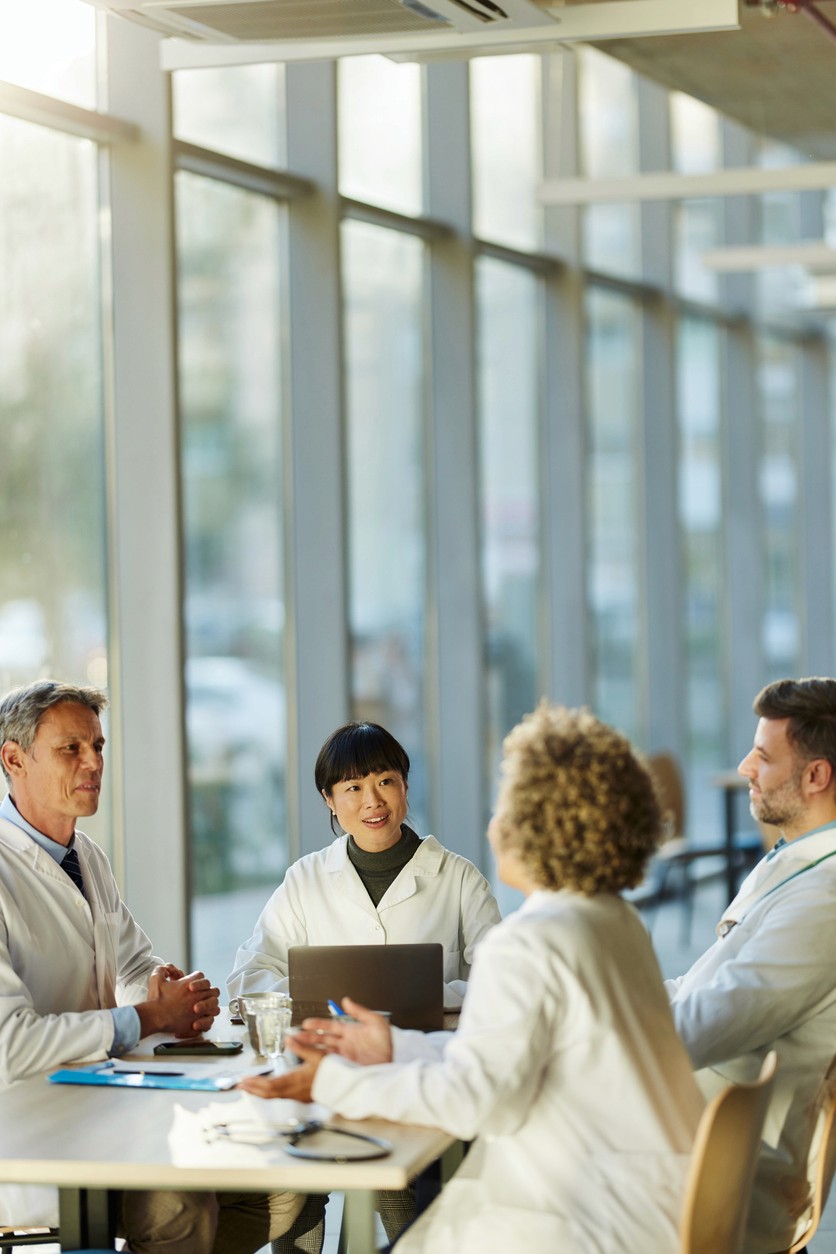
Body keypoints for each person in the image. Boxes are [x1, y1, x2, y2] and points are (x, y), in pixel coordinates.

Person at [241, 703, 704, 1254]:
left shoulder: (525, 942)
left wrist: (330, 1083)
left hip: (582, 1216)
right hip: (644, 1195)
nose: (495, 819)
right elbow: (503, 1058)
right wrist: (394, 1043)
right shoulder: (612, 919)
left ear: (542, 823)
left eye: (508, 800)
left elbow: (476, 1099)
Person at [0, 679, 303, 1253]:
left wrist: (173, 994)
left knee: (285, 1187)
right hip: (29, 1131)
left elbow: (135, 959)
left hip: (104, 1103)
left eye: (98, 746)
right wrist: (145, 1017)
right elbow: (9, 1043)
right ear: (14, 759)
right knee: (178, 1200)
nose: (94, 762)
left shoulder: (85, 856)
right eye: (72, 748)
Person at [228, 719, 501, 1251]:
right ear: (330, 800)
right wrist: (304, 1001)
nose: (372, 801)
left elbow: (501, 984)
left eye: (385, 781)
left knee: (404, 1203)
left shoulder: (459, 877)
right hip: (318, 1068)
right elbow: (249, 974)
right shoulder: (305, 880)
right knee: (298, 1192)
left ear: (404, 785)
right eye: (352, 788)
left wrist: (428, 996)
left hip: (412, 1074)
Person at [664, 676, 836, 1254]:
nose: (744, 767)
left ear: (816, 776)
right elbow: (698, 987)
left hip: (719, 1177)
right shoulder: (795, 864)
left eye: (763, 756)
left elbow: (699, 1027)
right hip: (694, 1136)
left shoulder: (825, 901)